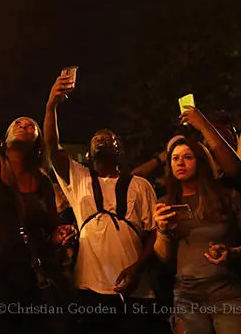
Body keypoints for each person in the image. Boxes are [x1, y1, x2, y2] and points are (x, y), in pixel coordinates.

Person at [44, 72, 159, 334]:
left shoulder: (140, 185)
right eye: (96, 137)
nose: (101, 139)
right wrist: (51, 106)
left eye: (109, 138)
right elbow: (52, 147)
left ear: (119, 150)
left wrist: (137, 268)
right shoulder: (79, 178)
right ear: (88, 151)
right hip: (89, 288)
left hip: (135, 290)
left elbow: (154, 234)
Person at [0, 113, 71, 334]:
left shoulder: (42, 181)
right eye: (17, 123)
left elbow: (51, 230)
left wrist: (61, 235)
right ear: (5, 139)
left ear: (37, 141)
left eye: (30, 125)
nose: (22, 125)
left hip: (31, 282)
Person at [154, 118, 241, 334]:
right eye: (175, 159)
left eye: (187, 157)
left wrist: (232, 251)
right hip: (187, 297)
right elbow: (163, 257)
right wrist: (162, 230)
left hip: (228, 293)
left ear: (201, 161)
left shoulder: (227, 197)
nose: (180, 163)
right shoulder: (166, 203)